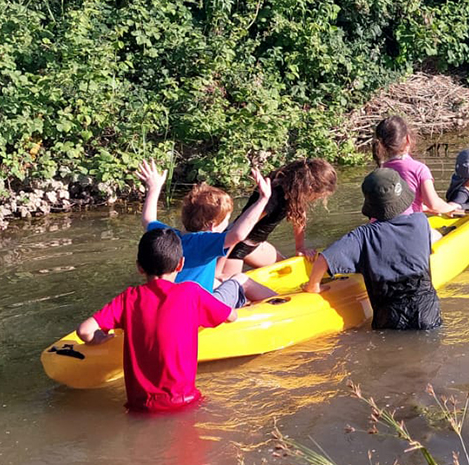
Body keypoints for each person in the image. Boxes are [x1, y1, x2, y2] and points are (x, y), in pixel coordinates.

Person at [76, 227, 239, 412]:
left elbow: (84, 330)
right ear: (181, 264)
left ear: (139, 267)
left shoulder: (128, 298)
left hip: (139, 408)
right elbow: (231, 316)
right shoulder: (191, 293)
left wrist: (98, 338)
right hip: (185, 402)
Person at [302, 168, 441, 330]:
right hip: (428, 313)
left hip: (390, 319)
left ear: (370, 204)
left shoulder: (361, 237)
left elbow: (323, 259)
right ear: (403, 196)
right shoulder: (420, 221)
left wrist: (313, 287)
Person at [136, 160, 276, 306]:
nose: (228, 223)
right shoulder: (205, 242)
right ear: (211, 226)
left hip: (174, 301)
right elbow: (238, 235)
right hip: (200, 307)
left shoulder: (168, 238)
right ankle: (282, 304)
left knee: (218, 281)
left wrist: (154, 187)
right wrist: (263, 200)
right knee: (241, 279)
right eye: (227, 219)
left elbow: (148, 219)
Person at [225, 158, 338, 269]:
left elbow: (299, 217)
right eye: (318, 196)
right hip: (236, 244)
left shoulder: (294, 188)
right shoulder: (274, 197)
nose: (317, 199)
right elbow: (241, 227)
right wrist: (220, 258)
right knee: (229, 284)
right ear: (309, 188)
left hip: (256, 245)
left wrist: (300, 248)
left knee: (289, 271)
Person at [373, 116, 463, 218]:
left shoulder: (378, 172)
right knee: (438, 235)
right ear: (407, 139)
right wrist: (450, 207)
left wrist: (424, 208)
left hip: (380, 230)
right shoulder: (419, 169)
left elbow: (393, 205)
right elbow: (433, 204)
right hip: (408, 227)